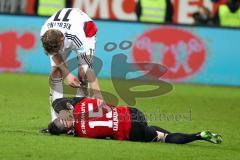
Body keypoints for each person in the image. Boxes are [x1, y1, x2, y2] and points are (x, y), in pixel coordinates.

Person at [46, 97, 222, 144]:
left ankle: (198, 135)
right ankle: (164, 134)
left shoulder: (83, 135)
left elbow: (105, 135)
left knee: (163, 138)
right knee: (156, 130)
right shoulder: (81, 105)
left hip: (131, 131)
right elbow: (105, 103)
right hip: (131, 112)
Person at [40, 8, 104, 121]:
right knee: (55, 73)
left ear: (62, 41)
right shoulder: (45, 34)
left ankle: (78, 120)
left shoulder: (76, 36)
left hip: (87, 32)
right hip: (65, 31)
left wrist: (97, 93)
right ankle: (57, 119)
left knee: (83, 75)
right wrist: (68, 75)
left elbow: (88, 68)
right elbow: (55, 55)